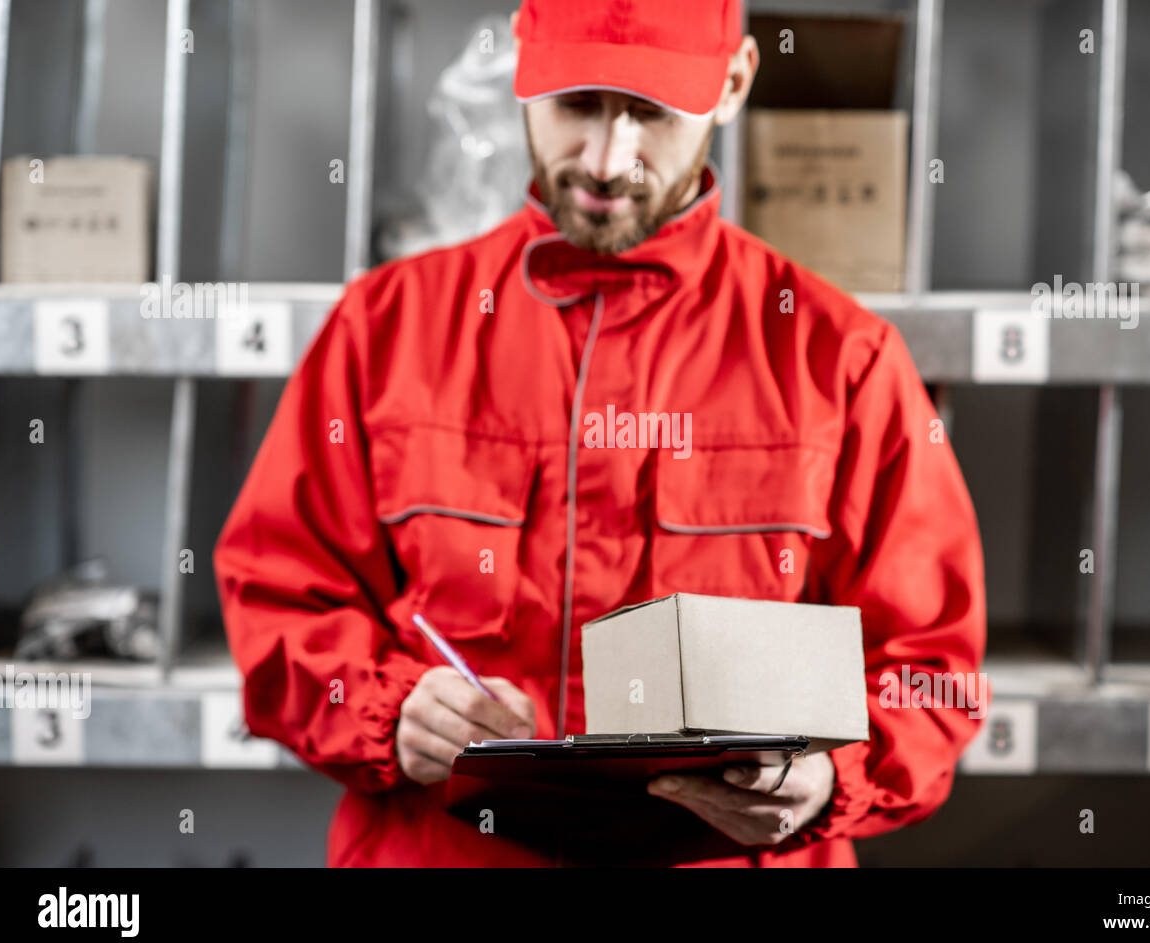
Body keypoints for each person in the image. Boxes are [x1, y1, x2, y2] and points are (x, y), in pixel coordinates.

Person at [213, 0, 987, 867]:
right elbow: (280, 594)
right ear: (520, 64)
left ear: (731, 83)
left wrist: (833, 776)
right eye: (577, 105)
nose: (607, 161)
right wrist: (387, 707)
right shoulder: (383, 332)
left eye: (651, 114)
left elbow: (931, 670)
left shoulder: (841, 359)